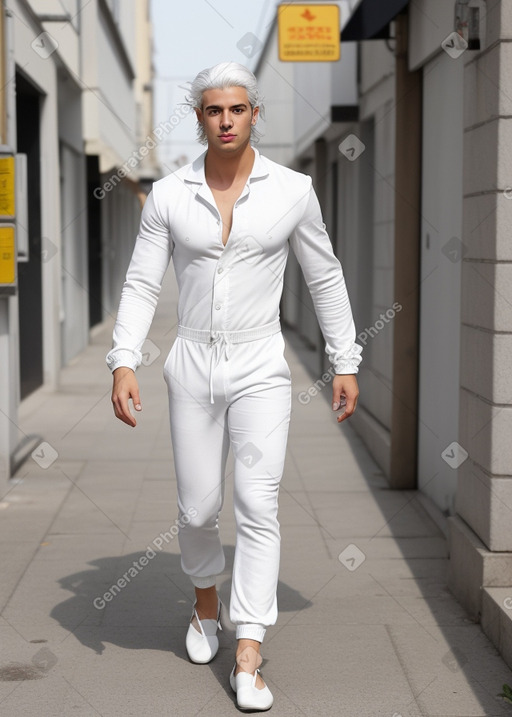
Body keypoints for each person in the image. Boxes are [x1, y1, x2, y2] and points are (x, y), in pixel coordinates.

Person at [106, 61, 362, 712]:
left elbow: (325, 277)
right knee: (197, 509)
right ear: (198, 117)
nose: (226, 120)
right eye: (214, 110)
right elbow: (140, 283)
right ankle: (204, 606)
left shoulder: (293, 191)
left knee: (258, 500)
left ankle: (249, 647)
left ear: (255, 114)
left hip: (259, 368)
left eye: (237, 109)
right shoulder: (168, 195)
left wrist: (346, 357)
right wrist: (124, 359)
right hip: (191, 361)